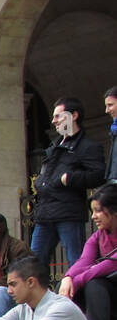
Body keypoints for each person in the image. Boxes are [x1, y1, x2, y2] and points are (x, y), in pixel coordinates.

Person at [33, 97, 106, 267]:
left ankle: (78, 293)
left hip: (69, 213)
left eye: (58, 116)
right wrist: (40, 182)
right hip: (44, 213)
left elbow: (98, 175)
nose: (54, 121)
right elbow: (47, 172)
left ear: (74, 115)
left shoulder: (88, 146)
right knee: (34, 264)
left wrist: (69, 179)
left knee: (77, 262)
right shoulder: (54, 146)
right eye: (54, 117)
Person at [59, 182, 117, 320]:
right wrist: (68, 277)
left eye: (99, 211)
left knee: (91, 282)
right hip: (108, 302)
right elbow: (84, 260)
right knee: (92, 286)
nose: (93, 217)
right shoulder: (98, 236)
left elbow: (110, 264)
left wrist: (76, 281)